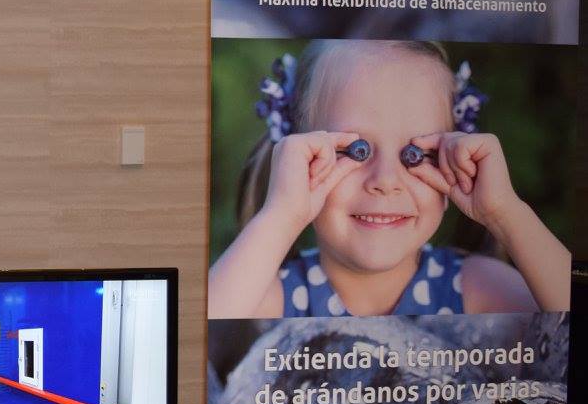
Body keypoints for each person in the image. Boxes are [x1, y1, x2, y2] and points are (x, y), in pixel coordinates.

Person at [208, 39, 569, 319]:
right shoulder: (271, 296)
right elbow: (196, 334)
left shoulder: (479, 289)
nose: (386, 180)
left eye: (417, 153)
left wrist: (505, 213)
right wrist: (282, 215)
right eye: (356, 150)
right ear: (298, 161)